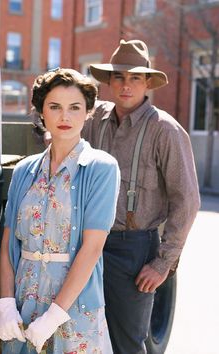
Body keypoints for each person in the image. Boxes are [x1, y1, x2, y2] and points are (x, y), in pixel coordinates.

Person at [81, 39, 201, 354]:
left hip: (132, 248)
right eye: (119, 77)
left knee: (127, 344)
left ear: (148, 82)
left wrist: (163, 264)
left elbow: (187, 202)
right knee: (84, 336)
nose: (125, 84)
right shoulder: (94, 119)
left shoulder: (165, 130)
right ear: (108, 81)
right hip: (87, 243)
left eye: (135, 77)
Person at [0, 68, 120, 354]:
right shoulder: (25, 170)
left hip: (72, 309)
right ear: (41, 111)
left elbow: (92, 248)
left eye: (75, 107)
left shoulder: (101, 168)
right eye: (55, 107)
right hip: (23, 305)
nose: (65, 117)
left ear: (88, 111)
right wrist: (6, 304)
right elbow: (8, 244)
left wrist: (54, 315)